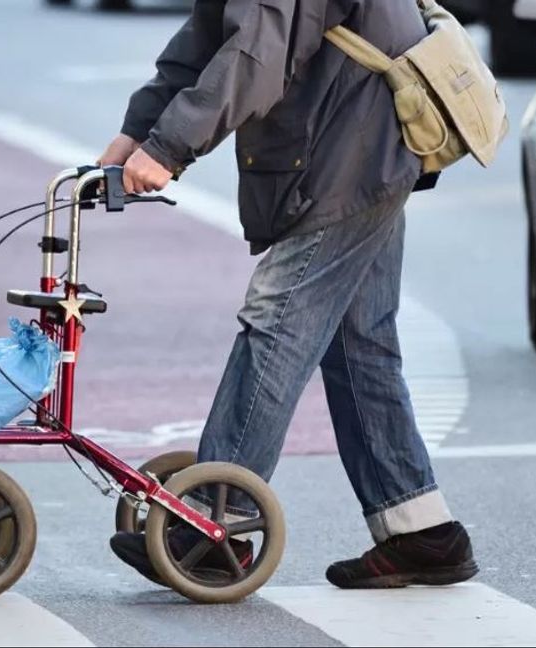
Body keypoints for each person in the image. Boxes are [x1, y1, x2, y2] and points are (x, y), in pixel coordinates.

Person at [99, 0, 478, 589]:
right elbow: (210, 37)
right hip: (364, 141)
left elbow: (256, 53)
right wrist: (137, 132)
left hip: (353, 150)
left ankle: (212, 523)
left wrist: (169, 147)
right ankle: (421, 531)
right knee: (359, 344)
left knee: (278, 322)